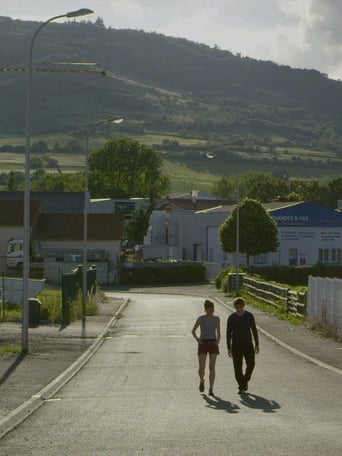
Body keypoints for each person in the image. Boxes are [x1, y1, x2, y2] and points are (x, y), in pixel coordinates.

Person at [226, 297, 259, 394]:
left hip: (248, 343)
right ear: (235, 306)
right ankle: (241, 385)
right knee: (237, 366)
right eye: (237, 306)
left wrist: (257, 344)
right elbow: (228, 333)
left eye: (241, 306)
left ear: (243, 306)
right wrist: (228, 347)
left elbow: (254, 330)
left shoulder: (249, 316)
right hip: (236, 345)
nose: (239, 308)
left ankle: (245, 379)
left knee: (251, 363)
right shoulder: (231, 318)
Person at [192, 299, 220, 396]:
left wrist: (218, 340)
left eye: (213, 309)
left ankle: (211, 388)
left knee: (212, 367)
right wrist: (198, 340)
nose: (211, 311)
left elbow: (219, 332)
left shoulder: (217, 319)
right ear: (206, 309)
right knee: (202, 367)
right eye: (209, 309)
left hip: (213, 343)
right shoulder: (201, 319)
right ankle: (202, 380)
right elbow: (193, 331)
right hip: (203, 343)